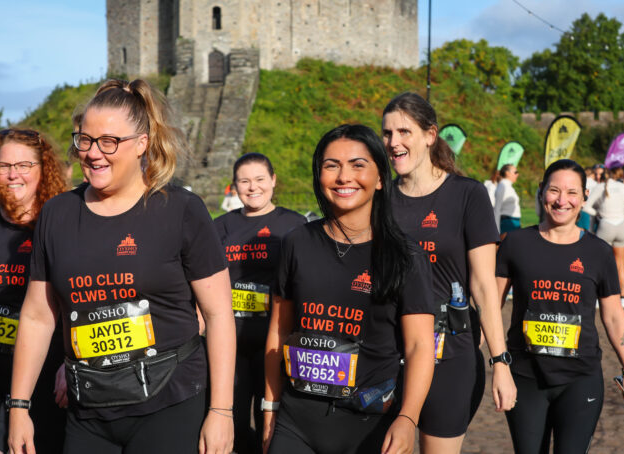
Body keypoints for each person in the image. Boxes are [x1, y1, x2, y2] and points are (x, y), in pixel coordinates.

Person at [7, 79, 236, 454]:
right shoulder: (57, 214)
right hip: (89, 410)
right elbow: (37, 317)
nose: (94, 153)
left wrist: (222, 410)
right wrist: (19, 407)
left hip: (170, 401)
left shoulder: (181, 209)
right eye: (85, 140)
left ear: (142, 143)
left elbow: (219, 313)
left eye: (109, 142)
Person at [263, 124, 436, 454]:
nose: (344, 177)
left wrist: (408, 418)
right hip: (296, 422)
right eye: (332, 166)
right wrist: (269, 408)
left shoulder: (407, 256)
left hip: (370, 426)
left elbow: (418, 346)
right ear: (319, 175)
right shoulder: (296, 242)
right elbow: (278, 331)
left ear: (381, 178)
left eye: (358, 165)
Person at [382, 92, 516, 454]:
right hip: (389, 352)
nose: (394, 142)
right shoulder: (380, 200)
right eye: (387, 133)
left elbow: (485, 287)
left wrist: (500, 363)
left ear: (430, 135)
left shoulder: (468, 195)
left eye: (404, 132)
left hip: (451, 353)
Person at [496, 159, 624, 454]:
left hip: (580, 380)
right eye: (554, 191)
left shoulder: (598, 252)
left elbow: (613, 315)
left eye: (572, 193)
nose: (562, 201)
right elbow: (490, 306)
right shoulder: (516, 243)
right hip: (525, 378)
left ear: (585, 197)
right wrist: (491, 361)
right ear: (541, 192)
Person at [214, 153, 306, 453]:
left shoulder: (294, 224)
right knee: (234, 424)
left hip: (276, 339)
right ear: (235, 186)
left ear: (273, 180)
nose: (252, 187)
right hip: (231, 340)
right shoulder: (221, 227)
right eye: (244, 181)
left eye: (259, 180)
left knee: (272, 424)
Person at [0, 128, 68, 454]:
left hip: (46, 383)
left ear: (43, 168)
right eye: (4, 166)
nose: (13, 174)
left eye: (24, 165)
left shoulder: (60, 229)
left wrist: (71, 364)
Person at [583, 167, 624, 307]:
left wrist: (598, 213)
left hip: (606, 225)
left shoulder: (600, 187)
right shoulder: (622, 186)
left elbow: (586, 207)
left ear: (601, 177)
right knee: (620, 264)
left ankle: (597, 297)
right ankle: (623, 298)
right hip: (621, 226)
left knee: (600, 264)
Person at [494, 164, 521, 235]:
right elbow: (497, 209)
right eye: (515, 172)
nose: (517, 174)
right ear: (507, 173)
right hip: (507, 223)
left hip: (514, 222)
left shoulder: (508, 186)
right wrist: (497, 231)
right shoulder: (502, 185)